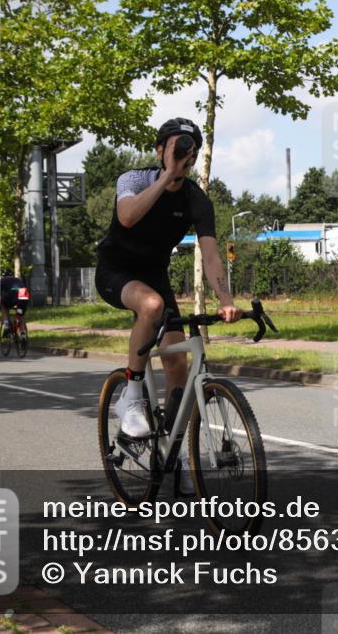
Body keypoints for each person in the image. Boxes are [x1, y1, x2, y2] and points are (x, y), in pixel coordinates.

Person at [95, 117, 240, 440]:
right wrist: (166, 178)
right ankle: (131, 399)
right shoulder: (134, 179)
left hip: (154, 276)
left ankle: (173, 455)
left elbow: (212, 254)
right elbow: (127, 216)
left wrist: (226, 301)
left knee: (177, 365)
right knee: (151, 304)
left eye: (191, 152)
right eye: (177, 148)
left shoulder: (196, 200)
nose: (185, 157)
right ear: (160, 150)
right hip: (115, 271)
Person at [0, 269, 29, 336]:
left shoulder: (1, 281)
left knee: (3, 305)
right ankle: (23, 334)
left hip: (12, 293)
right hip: (24, 294)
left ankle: (6, 325)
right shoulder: (17, 279)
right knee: (20, 313)